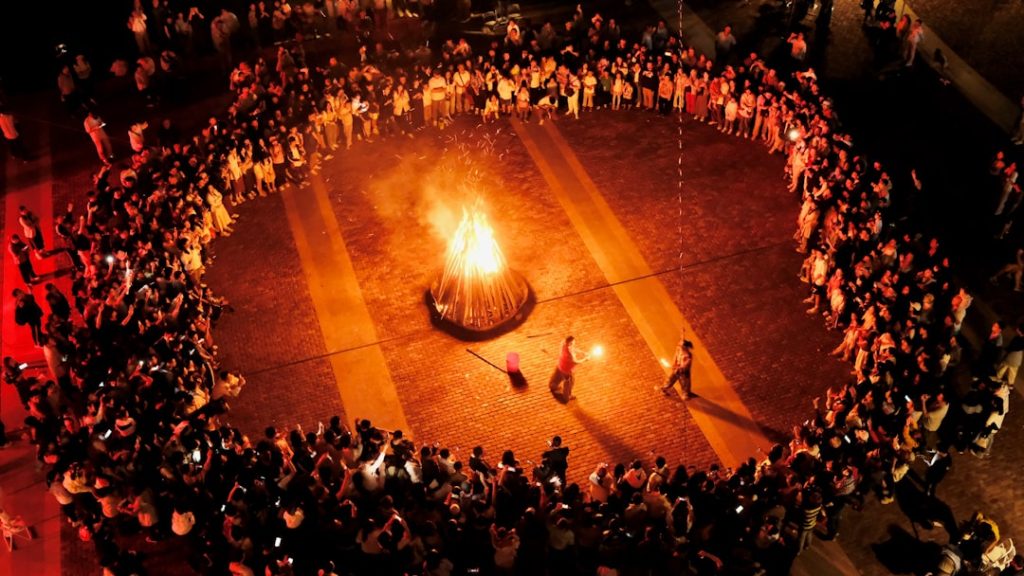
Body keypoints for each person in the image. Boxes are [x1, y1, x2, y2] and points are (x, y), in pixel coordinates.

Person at [549, 335, 589, 402]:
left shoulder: (563, 343)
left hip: (560, 365)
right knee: (570, 383)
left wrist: (583, 352)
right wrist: (585, 359)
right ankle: (566, 396)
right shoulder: (569, 354)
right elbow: (575, 362)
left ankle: (553, 386)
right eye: (573, 343)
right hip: (567, 370)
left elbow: (573, 348)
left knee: (556, 378)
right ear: (570, 343)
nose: (574, 344)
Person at [661, 335, 694, 399]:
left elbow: (686, 365)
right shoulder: (679, 350)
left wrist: (680, 368)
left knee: (685, 382)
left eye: (681, 346)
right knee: (670, 379)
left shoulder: (688, 355)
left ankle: (685, 394)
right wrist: (674, 364)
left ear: (685, 347)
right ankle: (664, 388)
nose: (679, 346)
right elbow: (675, 357)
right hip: (676, 369)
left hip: (683, 372)